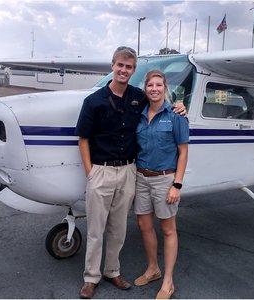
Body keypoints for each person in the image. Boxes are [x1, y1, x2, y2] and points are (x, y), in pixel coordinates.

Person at [75, 47, 186, 299]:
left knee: (118, 228)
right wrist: (90, 173)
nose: (124, 70)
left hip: (128, 171)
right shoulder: (93, 102)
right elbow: (83, 139)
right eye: (120, 65)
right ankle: (91, 277)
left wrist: (179, 105)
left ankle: (112, 271)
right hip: (101, 171)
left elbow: (160, 102)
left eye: (129, 67)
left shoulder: (139, 96)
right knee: (96, 228)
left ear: (133, 70)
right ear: (112, 66)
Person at [133, 70, 189, 299]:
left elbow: (183, 152)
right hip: (140, 176)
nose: (154, 89)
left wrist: (177, 184)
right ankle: (153, 269)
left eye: (158, 85)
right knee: (144, 226)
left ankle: (168, 281)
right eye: (150, 85)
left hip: (165, 178)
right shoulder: (139, 113)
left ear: (164, 88)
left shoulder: (176, 115)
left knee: (168, 230)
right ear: (145, 88)